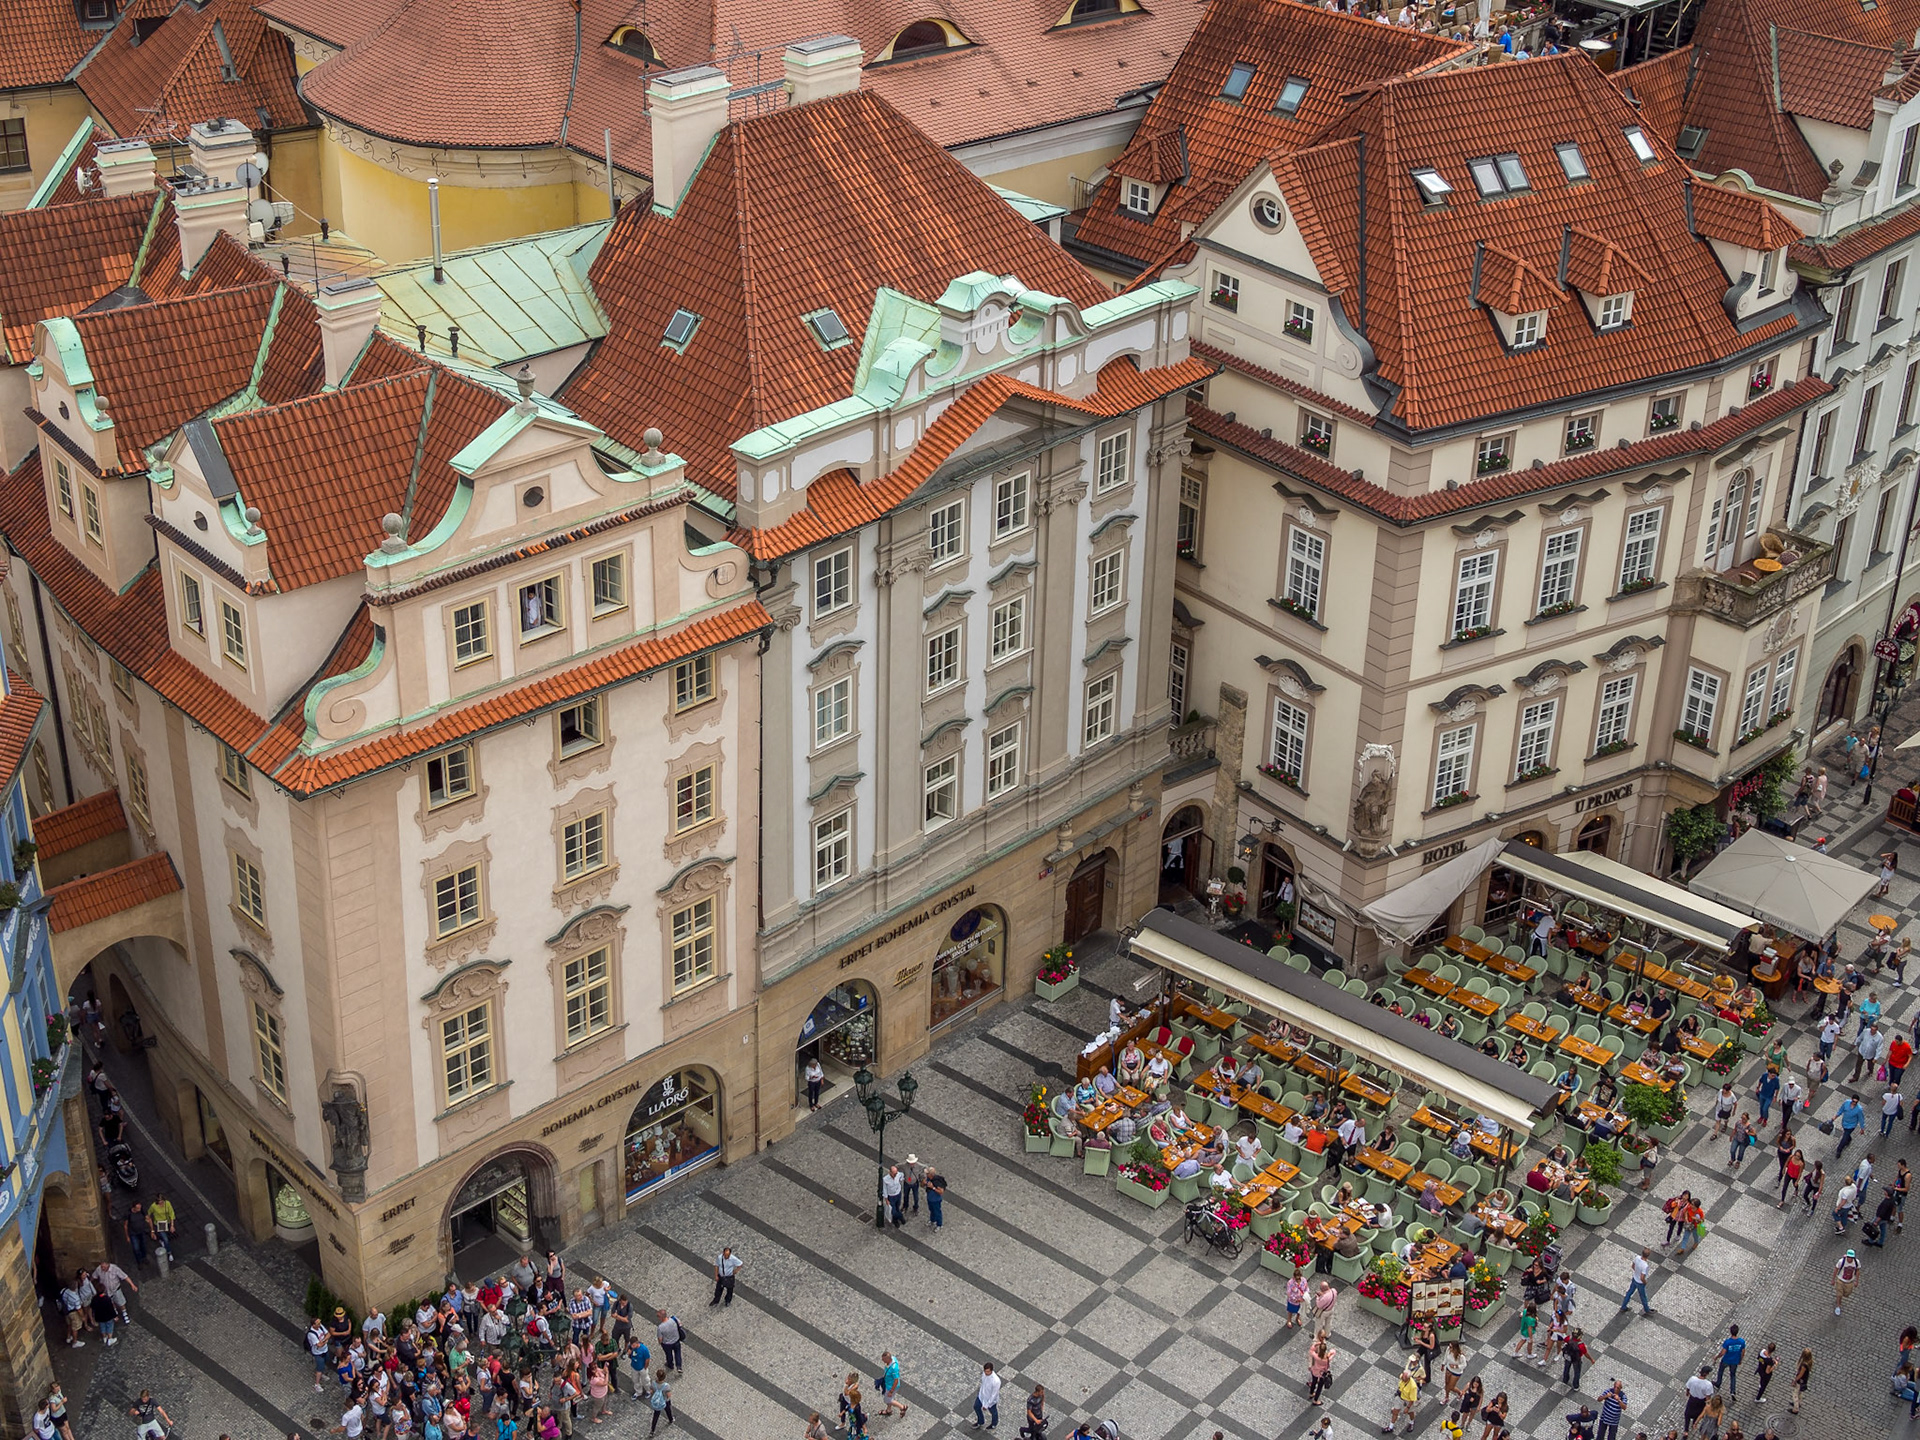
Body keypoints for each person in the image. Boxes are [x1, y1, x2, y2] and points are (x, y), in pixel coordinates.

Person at [1618, 1248, 1653, 1316]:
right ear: (1648, 1256)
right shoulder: (1645, 1266)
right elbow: (1642, 1277)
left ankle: (1623, 1306)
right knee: (1643, 1297)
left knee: (1629, 1292)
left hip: (1634, 1279)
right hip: (1640, 1283)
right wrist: (1645, 1282)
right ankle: (1647, 1309)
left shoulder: (1637, 1258)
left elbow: (1633, 1266)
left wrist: (1637, 1273)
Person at [1307, 1330, 1337, 1405]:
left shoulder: (1316, 1356)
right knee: (1320, 1387)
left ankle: (1311, 1393)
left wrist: (1317, 1344)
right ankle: (1315, 1400)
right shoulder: (1327, 1359)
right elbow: (1334, 1351)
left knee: (1314, 1382)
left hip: (1315, 1371)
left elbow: (1311, 1350)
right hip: (1322, 1374)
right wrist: (1329, 1353)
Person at [1833, 1249, 1861, 1314]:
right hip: (1840, 1280)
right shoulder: (1841, 1261)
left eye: (1851, 1258)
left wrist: (1856, 1281)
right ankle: (1838, 1306)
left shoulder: (1856, 1262)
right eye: (1848, 1257)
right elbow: (1836, 1269)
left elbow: (1857, 1271)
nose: (1850, 1259)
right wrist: (1833, 1279)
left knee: (1847, 1293)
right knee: (1839, 1294)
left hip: (1850, 1281)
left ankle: (1839, 1299)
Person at [974, 1363, 1001, 1429]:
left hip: (990, 1400)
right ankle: (980, 1421)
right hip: (981, 1396)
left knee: (993, 1412)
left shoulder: (996, 1381)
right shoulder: (984, 1374)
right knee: (976, 1407)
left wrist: (987, 1405)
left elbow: (994, 1395)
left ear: (991, 1370)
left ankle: (994, 1424)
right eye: (985, 1371)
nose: (986, 1373)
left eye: (988, 1371)